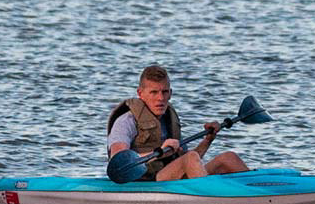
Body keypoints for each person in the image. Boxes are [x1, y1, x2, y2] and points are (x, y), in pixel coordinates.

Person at [106, 64, 250, 183]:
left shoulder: (169, 119)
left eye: (165, 92)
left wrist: (208, 139)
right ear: (140, 93)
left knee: (228, 157)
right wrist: (160, 152)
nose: (160, 98)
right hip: (147, 182)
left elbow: (192, 161)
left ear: (171, 93)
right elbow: (118, 161)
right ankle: (214, 198)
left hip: (171, 177)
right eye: (154, 92)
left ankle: (258, 194)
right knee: (190, 159)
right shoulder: (126, 121)